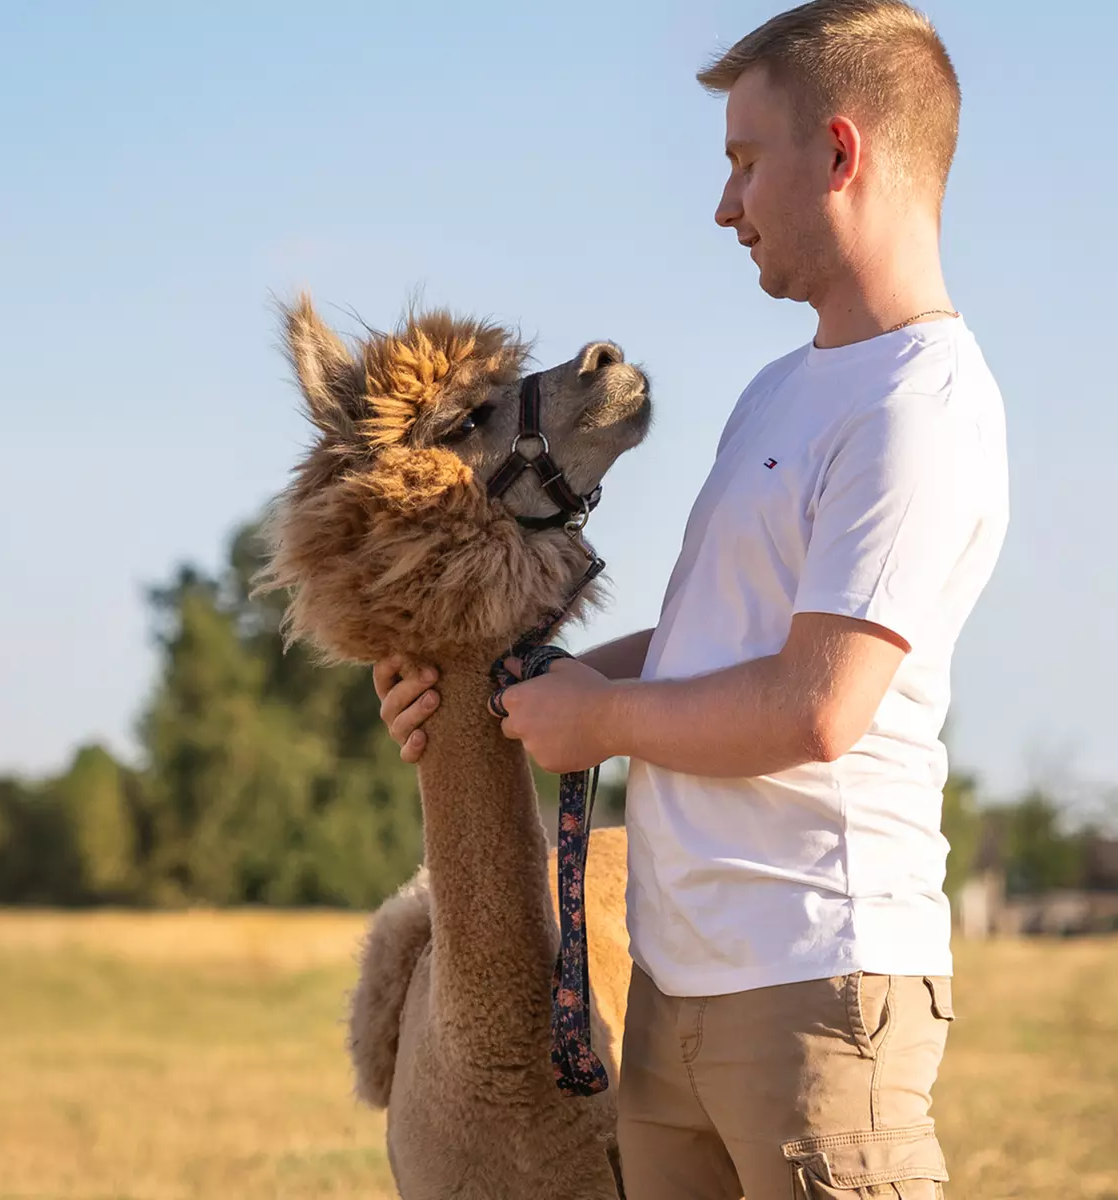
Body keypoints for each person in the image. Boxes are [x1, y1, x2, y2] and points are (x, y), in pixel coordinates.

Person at [372, 2, 1007, 1195]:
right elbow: (710, 647)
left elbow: (819, 705)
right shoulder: (781, 393)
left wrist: (596, 726)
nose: (724, 207)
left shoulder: (917, 408)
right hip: (679, 990)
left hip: (816, 986)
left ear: (839, 152)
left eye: (743, 162)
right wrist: (488, 696)